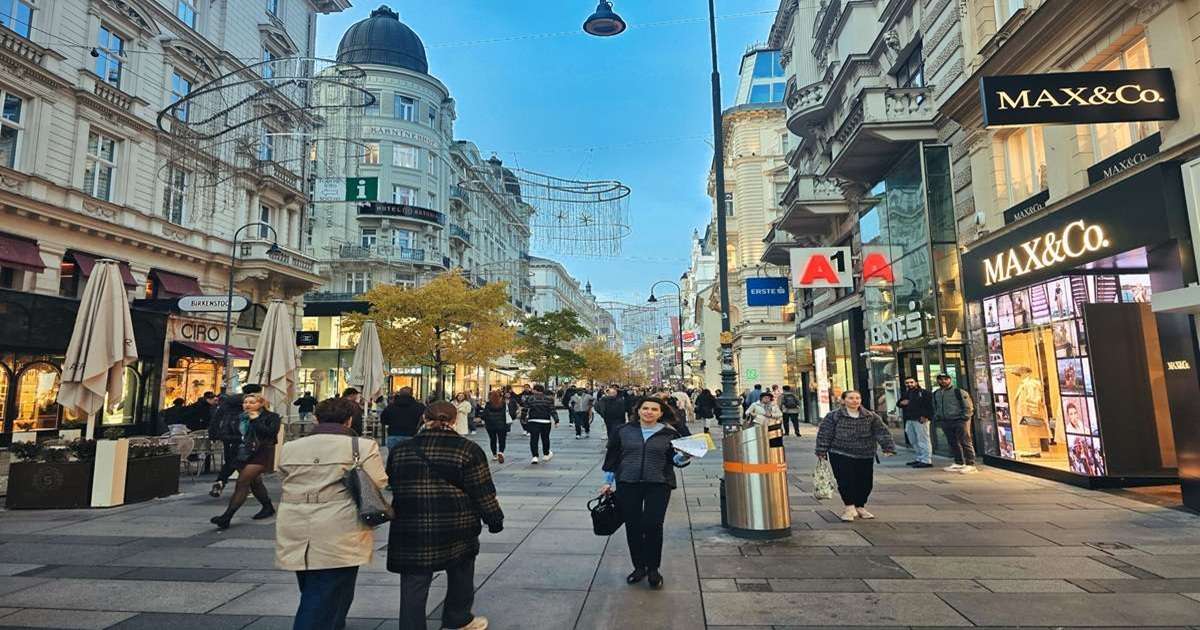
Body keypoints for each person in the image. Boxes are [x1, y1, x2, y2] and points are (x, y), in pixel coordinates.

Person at [388, 402, 503, 630]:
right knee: (461, 572)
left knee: (414, 581)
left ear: (424, 418)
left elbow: (393, 481)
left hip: (411, 523)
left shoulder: (401, 449)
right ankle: (457, 619)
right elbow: (482, 490)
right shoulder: (467, 449)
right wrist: (494, 518)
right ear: (454, 420)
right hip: (457, 522)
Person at [276, 397, 387, 630]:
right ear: (349, 421)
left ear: (316, 418)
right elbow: (378, 481)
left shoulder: (290, 447)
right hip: (339, 520)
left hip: (294, 520)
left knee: (312, 582)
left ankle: (334, 624)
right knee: (324, 590)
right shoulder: (361, 446)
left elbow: (283, 476)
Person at [601, 397, 691, 589]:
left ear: (661, 413)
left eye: (654, 409)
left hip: (658, 483)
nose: (649, 412)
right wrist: (608, 482)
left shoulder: (669, 433)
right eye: (645, 408)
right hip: (628, 482)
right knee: (633, 526)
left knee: (653, 525)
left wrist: (685, 456)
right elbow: (613, 457)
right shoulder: (623, 431)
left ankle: (653, 569)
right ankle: (639, 567)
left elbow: (675, 460)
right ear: (638, 410)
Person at [815, 390, 896, 522]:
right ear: (843, 400)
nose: (855, 401)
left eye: (857, 398)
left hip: (865, 453)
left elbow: (882, 432)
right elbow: (825, 433)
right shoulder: (834, 416)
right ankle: (849, 507)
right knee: (845, 481)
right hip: (840, 453)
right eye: (851, 398)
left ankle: (860, 506)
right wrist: (821, 450)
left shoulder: (871, 416)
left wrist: (888, 447)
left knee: (865, 482)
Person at [210, 393, 281, 529]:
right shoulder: (238, 417)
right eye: (245, 402)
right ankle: (267, 506)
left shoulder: (271, 417)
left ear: (261, 404)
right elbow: (225, 434)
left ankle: (227, 516)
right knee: (255, 482)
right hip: (242, 453)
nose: (247, 405)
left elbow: (271, 433)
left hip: (261, 452)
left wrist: (255, 420)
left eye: (252, 402)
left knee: (242, 481)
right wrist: (240, 439)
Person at [209, 384, 262, 498]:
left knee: (231, 460)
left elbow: (217, 417)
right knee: (245, 461)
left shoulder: (229, 401)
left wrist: (213, 433)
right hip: (243, 435)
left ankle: (220, 482)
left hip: (227, 434)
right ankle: (245, 487)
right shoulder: (251, 402)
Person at [931, 373, 977, 473]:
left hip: (959, 421)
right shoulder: (936, 393)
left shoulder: (958, 391)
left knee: (965, 441)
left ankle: (971, 464)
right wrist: (938, 417)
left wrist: (964, 417)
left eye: (945, 379)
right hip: (945, 421)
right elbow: (936, 406)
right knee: (953, 442)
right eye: (940, 379)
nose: (943, 381)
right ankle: (959, 462)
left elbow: (968, 406)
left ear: (950, 380)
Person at [897, 377, 933, 468]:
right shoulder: (907, 393)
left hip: (920, 419)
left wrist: (926, 416)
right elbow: (899, 403)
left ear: (916, 383)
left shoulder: (924, 393)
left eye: (911, 382)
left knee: (923, 439)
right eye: (907, 383)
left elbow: (930, 406)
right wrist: (902, 403)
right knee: (913, 439)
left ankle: (926, 460)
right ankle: (919, 457)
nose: (909, 384)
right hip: (909, 419)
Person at [523, 384, 556, 464]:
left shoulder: (530, 398)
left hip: (533, 421)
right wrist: (556, 420)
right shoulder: (549, 399)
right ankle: (546, 454)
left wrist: (523, 418)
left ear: (535, 390)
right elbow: (552, 410)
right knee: (545, 438)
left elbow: (525, 409)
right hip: (545, 421)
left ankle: (535, 456)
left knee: (534, 439)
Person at [480, 390, 510, 462]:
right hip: (501, 425)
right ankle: (501, 452)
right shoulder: (503, 404)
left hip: (490, 425)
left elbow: (484, 415)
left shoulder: (488, 404)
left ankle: (494, 455)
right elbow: (507, 414)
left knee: (492, 440)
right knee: (502, 439)